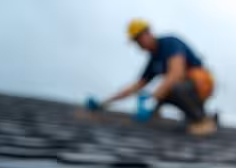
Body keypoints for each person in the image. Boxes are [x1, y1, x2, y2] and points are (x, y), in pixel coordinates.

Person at [88, 19, 217, 135]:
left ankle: (202, 121)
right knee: (162, 93)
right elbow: (136, 86)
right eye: (136, 41)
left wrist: (153, 98)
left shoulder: (170, 43)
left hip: (200, 85)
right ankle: (193, 116)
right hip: (186, 89)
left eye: (139, 38)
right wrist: (104, 103)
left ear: (148, 32)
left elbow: (177, 73)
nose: (139, 44)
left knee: (171, 87)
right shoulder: (154, 60)